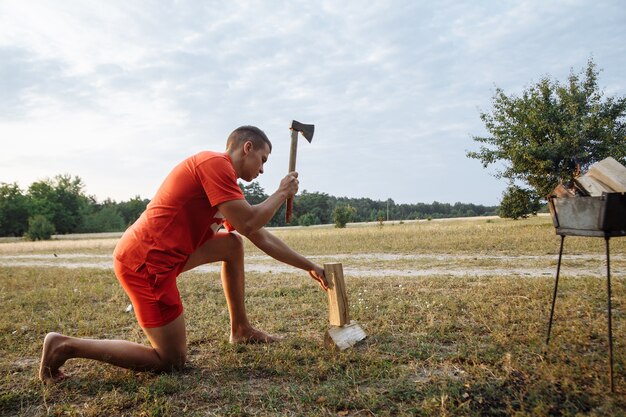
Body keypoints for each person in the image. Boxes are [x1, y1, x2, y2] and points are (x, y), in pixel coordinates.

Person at [39, 125, 328, 383]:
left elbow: (256, 234)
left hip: (168, 255)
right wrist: (281, 192)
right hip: (147, 262)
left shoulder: (225, 181)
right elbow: (250, 221)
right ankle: (64, 345)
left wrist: (308, 266)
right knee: (171, 360)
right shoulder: (215, 165)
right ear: (247, 148)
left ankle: (241, 329)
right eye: (263, 160)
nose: (263, 169)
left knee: (232, 244)